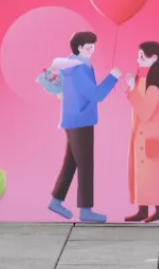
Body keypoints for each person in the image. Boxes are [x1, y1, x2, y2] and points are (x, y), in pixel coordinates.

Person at [48, 31, 120, 223]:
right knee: (86, 165)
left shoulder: (74, 64)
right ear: (79, 47)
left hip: (75, 119)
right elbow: (96, 95)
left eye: (93, 46)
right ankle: (86, 211)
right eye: (89, 46)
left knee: (71, 163)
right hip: (81, 121)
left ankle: (56, 200)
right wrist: (113, 77)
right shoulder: (78, 68)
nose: (92, 50)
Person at [124, 41, 159, 224]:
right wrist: (133, 86)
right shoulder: (145, 81)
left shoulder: (155, 86)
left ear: (154, 58)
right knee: (142, 175)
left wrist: (132, 89)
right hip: (141, 136)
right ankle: (143, 210)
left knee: (152, 175)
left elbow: (145, 112)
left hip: (150, 137)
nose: (138, 59)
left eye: (142, 56)